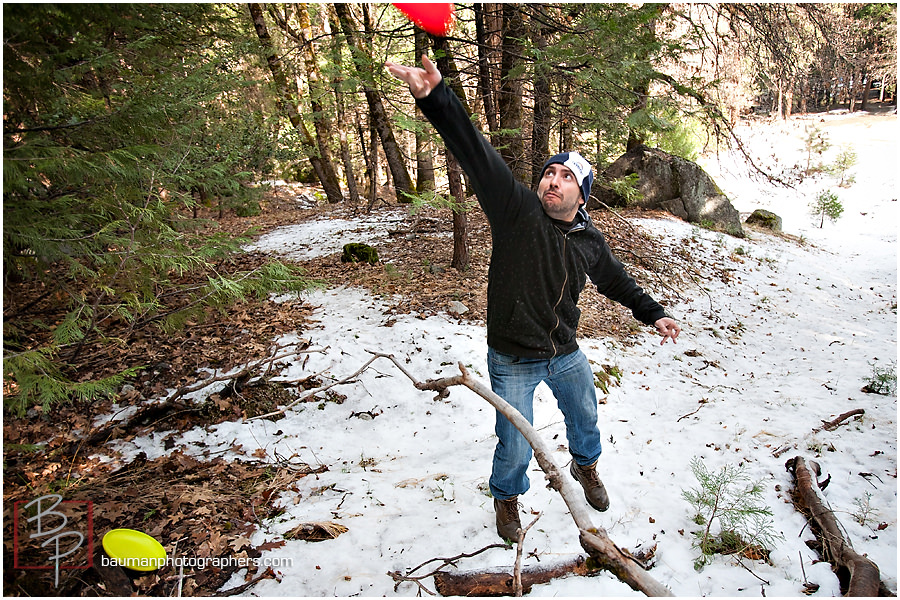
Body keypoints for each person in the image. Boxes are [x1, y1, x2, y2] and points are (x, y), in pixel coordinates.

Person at [386, 55, 681, 541]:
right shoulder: (517, 212)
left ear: (581, 195)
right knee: (515, 445)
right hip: (513, 357)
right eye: (549, 172)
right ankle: (507, 497)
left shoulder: (589, 241)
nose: (552, 179)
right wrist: (437, 99)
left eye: (566, 176)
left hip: (564, 352)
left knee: (585, 415)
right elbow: (477, 155)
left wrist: (655, 314)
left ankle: (587, 467)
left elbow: (618, 283)